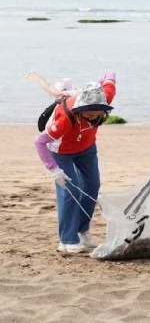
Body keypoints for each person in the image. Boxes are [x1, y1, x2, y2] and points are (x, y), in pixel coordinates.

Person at [33, 73, 117, 253]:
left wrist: (103, 80)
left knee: (93, 186)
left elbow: (110, 77)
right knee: (72, 188)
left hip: (87, 148)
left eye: (97, 114)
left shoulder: (104, 98)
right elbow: (40, 142)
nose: (94, 117)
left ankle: (82, 231)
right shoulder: (66, 117)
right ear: (80, 108)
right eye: (89, 114)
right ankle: (67, 240)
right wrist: (54, 170)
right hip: (61, 152)